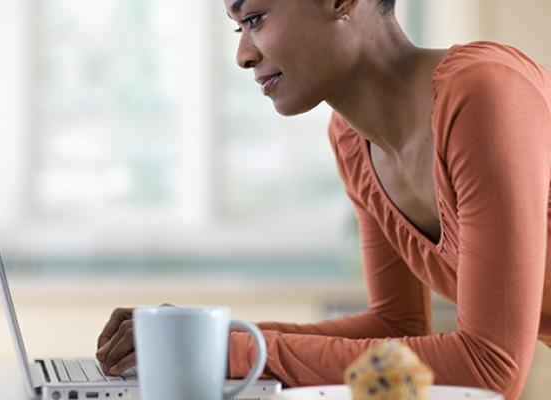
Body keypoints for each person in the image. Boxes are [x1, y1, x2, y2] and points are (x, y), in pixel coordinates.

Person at [95, 1, 551, 399]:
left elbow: (490, 370)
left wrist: (231, 351)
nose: (243, 54)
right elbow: (395, 326)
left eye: (254, 18)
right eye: (239, 27)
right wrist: (212, 336)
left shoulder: (485, 96)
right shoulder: (353, 139)